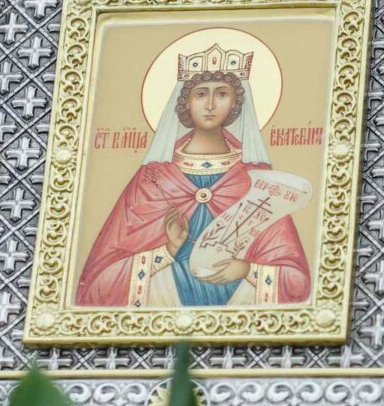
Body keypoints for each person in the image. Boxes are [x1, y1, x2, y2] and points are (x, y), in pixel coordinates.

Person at [76, 45, 308, 308]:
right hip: (164, 300)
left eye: (222, 94)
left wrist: (247, 269)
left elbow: (296, 281)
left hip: (240, 303)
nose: (210, 105)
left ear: (236, 103)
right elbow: (98, 285)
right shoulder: (153, 178)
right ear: (185, 102)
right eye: (200, 94)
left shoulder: (257, 180)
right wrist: (167, 252)